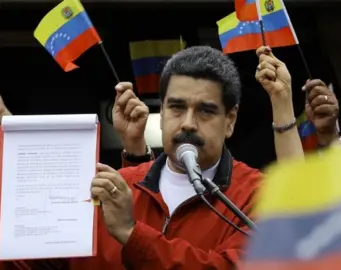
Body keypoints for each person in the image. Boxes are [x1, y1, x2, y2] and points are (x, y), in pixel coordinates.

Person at [69, 45, 303, 270]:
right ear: (161, 114)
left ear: (230, 120)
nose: (188, 123)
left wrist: (131, 234)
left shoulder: (260, 195)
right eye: (176, 108)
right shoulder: (111, 188)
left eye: (205, 111)